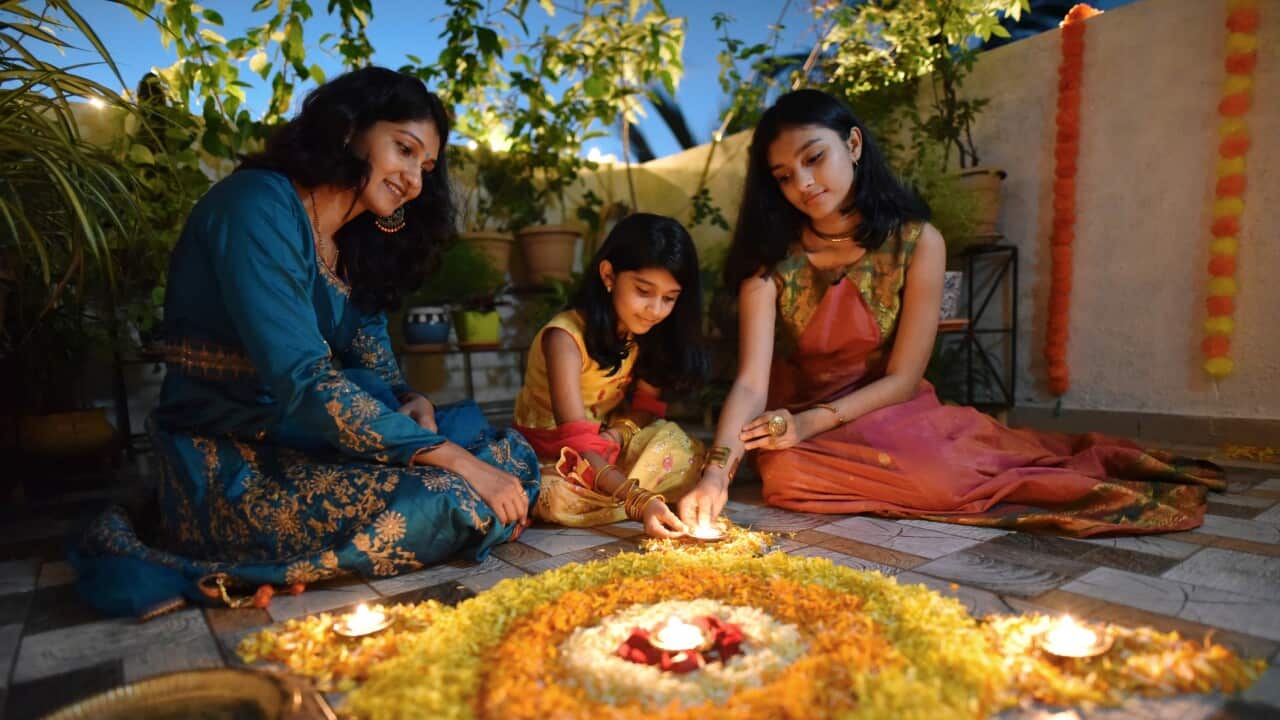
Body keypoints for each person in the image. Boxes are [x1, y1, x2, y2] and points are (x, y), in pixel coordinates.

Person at [73, 67, 540, 617]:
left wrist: (411, 400)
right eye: (404, 149)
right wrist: (456, 461)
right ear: (349, 129)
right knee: (450, 493)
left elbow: (378, 370)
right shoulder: (256, 206)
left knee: (508, 454)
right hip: (230, 455)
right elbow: (304, 380)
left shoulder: (352, 242)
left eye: (426, 167)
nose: (415, 179)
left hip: (311, 438)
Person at [678, 89, 1221, 537]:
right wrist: (717, 476)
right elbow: (750, 384)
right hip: (798, 431)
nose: (803, 183)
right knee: (785, 479)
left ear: (854, 144)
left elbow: (903, 378)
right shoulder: (772, 261)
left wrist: (811, 422)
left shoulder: (919, 242)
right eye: (783, 175)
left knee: (938, 481)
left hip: (887, 410)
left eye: (813, 158)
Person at [514, 213, 708, 538]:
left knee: (679, 446)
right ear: (608, 275)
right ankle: (618, 496)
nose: (655, 310)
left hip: (608, 442)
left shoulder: (643, 331)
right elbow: (575, 441)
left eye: (669, 298)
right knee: (555, 495)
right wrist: (638, 500)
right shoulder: (564, 338)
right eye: (643, 291)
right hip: (557, 453)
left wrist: (619, 433)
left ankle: (609, 495)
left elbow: (647, 407)